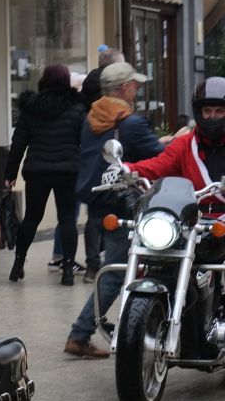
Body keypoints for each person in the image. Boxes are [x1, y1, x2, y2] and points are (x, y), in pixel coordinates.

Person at [104, 77, 225, 393]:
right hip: (191, 221)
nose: (212, 117)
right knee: (152, 260)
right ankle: (147, 330)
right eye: (207, 111)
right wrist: (127, 171)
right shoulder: (185, 144)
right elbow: (159, 165)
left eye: (218, 111)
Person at [66, 61, 166, 359]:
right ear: (124, 88)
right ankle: (80, 333)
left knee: (117, 265)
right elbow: (162, 156)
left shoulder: (92, 117)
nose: (137, 89)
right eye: (134, 85)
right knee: (120, 268)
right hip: (122, 202)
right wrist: (176, 142)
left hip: (98, 199)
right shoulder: (130, 123)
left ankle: (128, 321)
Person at [5, 64, 86, 285]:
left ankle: (18, 264)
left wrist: (10, 174)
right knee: (68, 219)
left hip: (37, 170)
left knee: (32, 218)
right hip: (68, 171)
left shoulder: (31, 108)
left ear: (44, 81)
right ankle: (68, 271)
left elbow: (18, 143)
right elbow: (84, 141)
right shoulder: (77, 107)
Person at [65, 47, 125, 272]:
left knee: (93, 212)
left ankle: (92, 264)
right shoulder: (110, 91)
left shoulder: (87, 87)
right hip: (109, 153)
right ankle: (110, 260)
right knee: (112, 210)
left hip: (87, 155)